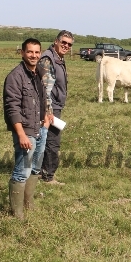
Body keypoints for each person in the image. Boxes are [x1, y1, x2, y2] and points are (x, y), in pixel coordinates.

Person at [3, 38, 53, 219]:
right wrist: (21, 134)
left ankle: (28, 203)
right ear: (22, 53)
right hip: (26, 132)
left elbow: (42, 98)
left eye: (37, 52)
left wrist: (47, 117)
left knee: (35, 169)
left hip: (40, 128)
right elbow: (12, 108)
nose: (34, 55)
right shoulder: (15, 76)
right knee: (22, 170)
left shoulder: (38, 72)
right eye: (30, 52)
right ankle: (17, 212)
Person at [38, 30, 73, 185]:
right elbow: (44, 88)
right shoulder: (48, 59)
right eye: (63, 42)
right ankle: (48, 176)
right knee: (52, 141)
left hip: (54, 105)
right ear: (56, 41)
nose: (66, 46)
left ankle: (39, 171)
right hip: (50, 106)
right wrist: (49, 111)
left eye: (69, 44)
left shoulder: (57, 58)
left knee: (45, 139)